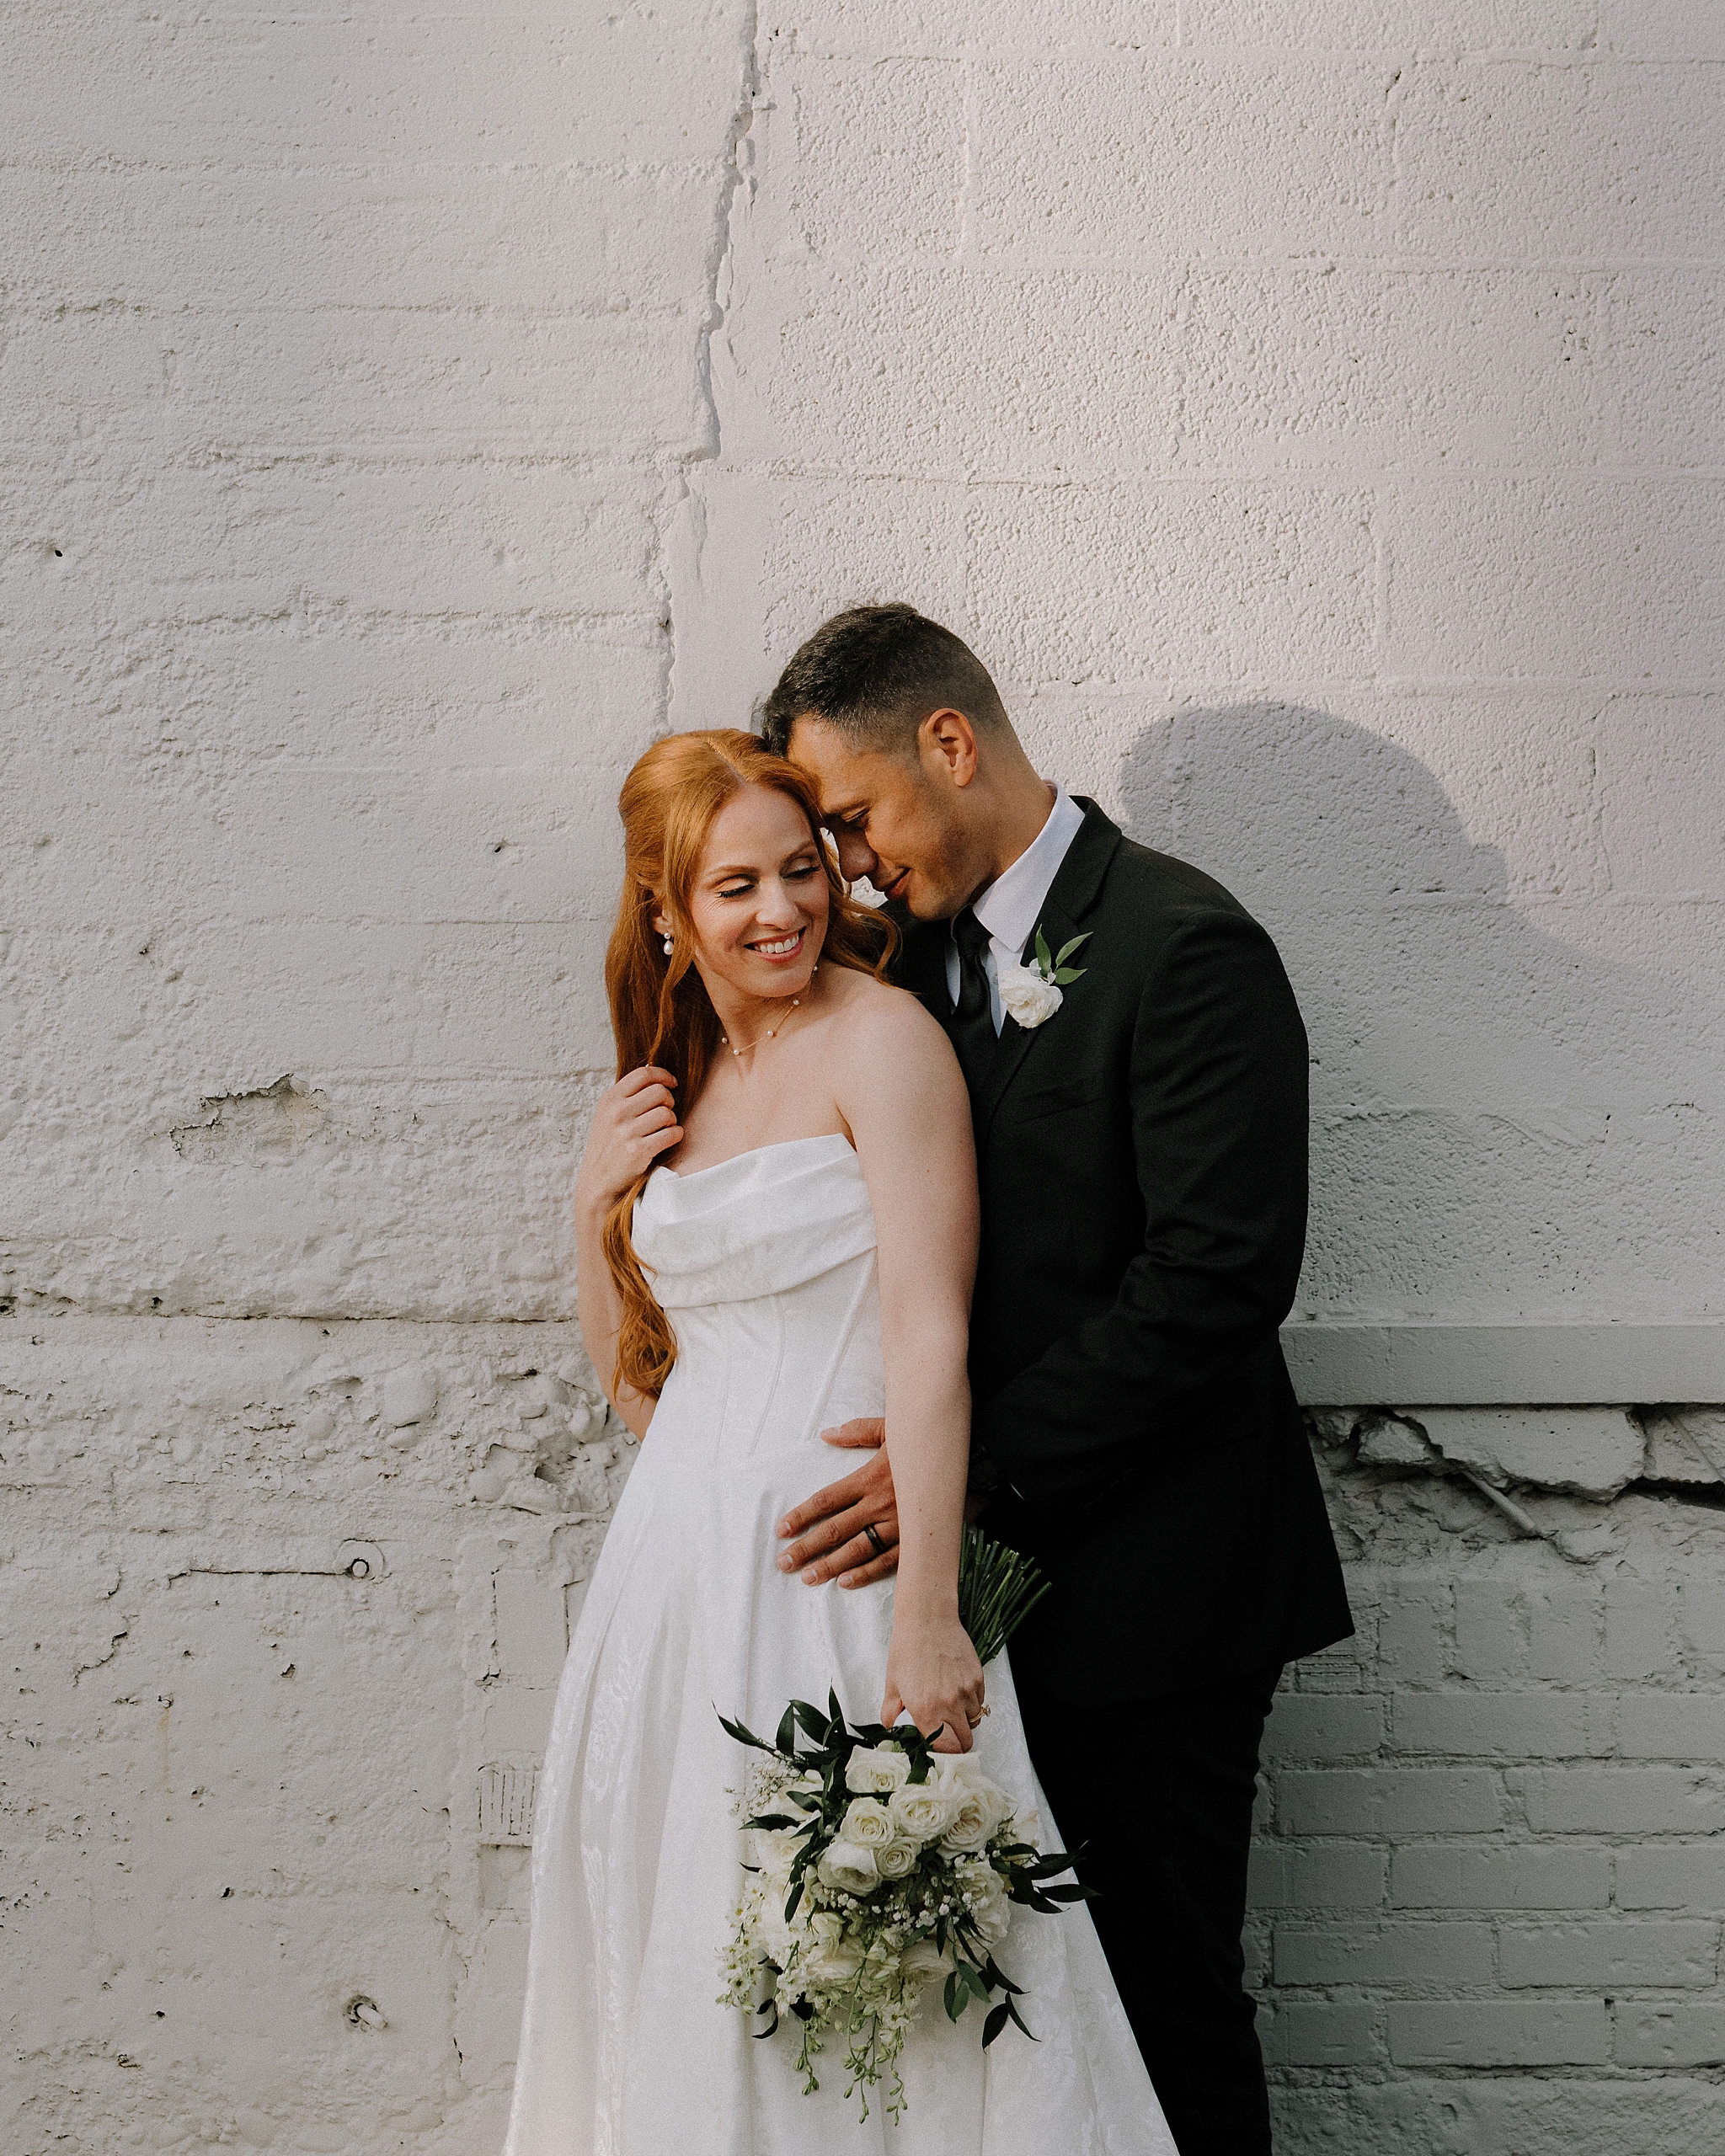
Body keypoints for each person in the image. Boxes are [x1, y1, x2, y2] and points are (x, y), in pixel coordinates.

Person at [504, 728, 1176, 2153]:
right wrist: (589, 1211)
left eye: (802, 870)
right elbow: (652, 1394)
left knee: (891, 1994)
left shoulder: (883, 1039)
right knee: (693, 1954)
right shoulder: (671, 1084)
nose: (781, 911)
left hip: (846, 1577)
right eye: (734, 886)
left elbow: (931, 1334)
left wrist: (928, 1619)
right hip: (677, 1593)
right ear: (667, 912)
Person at [762, 606, 1354, 2156]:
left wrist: (956, 1478)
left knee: (1158, 2005)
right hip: (974, 1596)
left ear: (949, 744)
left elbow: (1218, 1277)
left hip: (1152, 1589)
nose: (849, 865)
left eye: (853, 819)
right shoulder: (910, 967)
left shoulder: (1183, 941)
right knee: (1020, 2036)